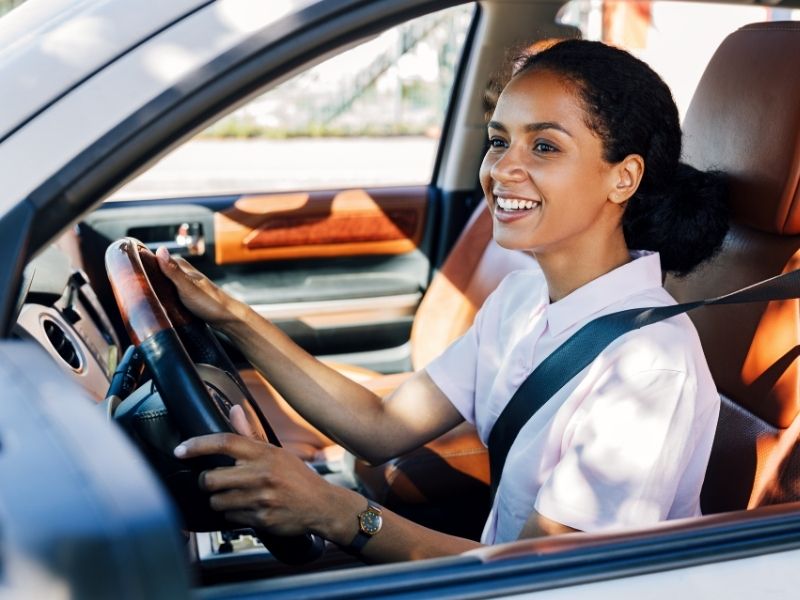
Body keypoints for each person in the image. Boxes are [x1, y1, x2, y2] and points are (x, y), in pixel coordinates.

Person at [158, 39, 729, 562]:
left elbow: (543, 575)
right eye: (499, 141)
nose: (502, 169)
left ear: (623, 178)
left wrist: (332, 510)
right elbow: (381, 425)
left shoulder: (649, 364)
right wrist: (231, 317)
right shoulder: (521, 298)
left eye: (544, 146)